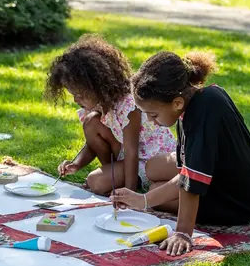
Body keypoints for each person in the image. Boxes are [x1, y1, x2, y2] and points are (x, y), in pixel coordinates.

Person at [111, 51, 250, 256]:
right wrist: (142, 200)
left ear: (177, 103)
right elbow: (187, 169)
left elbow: (191, 179)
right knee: (153, 172)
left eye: (153, 115)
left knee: (160, 193)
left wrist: (182, 233)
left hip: (248, 201)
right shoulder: (204, 97)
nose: (152, 122)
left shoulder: (202, 113)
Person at [45, 35, 176, 194]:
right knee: (91, 122)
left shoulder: (129, 105)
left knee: (96, 182)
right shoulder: (99, 104)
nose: (75, 99)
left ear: (98, 86)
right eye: (73, 94)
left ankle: (129, 183)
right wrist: (76, 164)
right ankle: (114, 175)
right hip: (127, 158)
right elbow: (92, 144)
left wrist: (129, 192)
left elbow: (131, 151)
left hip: (151, 160)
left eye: (80, 94)